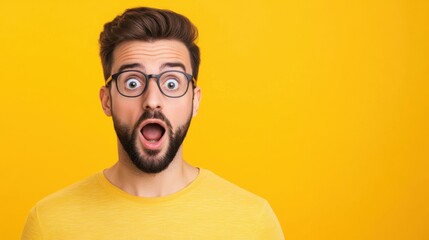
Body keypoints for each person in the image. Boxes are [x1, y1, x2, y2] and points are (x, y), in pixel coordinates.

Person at [21, 7, 284, 239]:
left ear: (194, 100)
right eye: (132, 82)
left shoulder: (252, 221)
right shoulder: (49, 223)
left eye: (172, 83)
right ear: (106, 101)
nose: (152, 100)